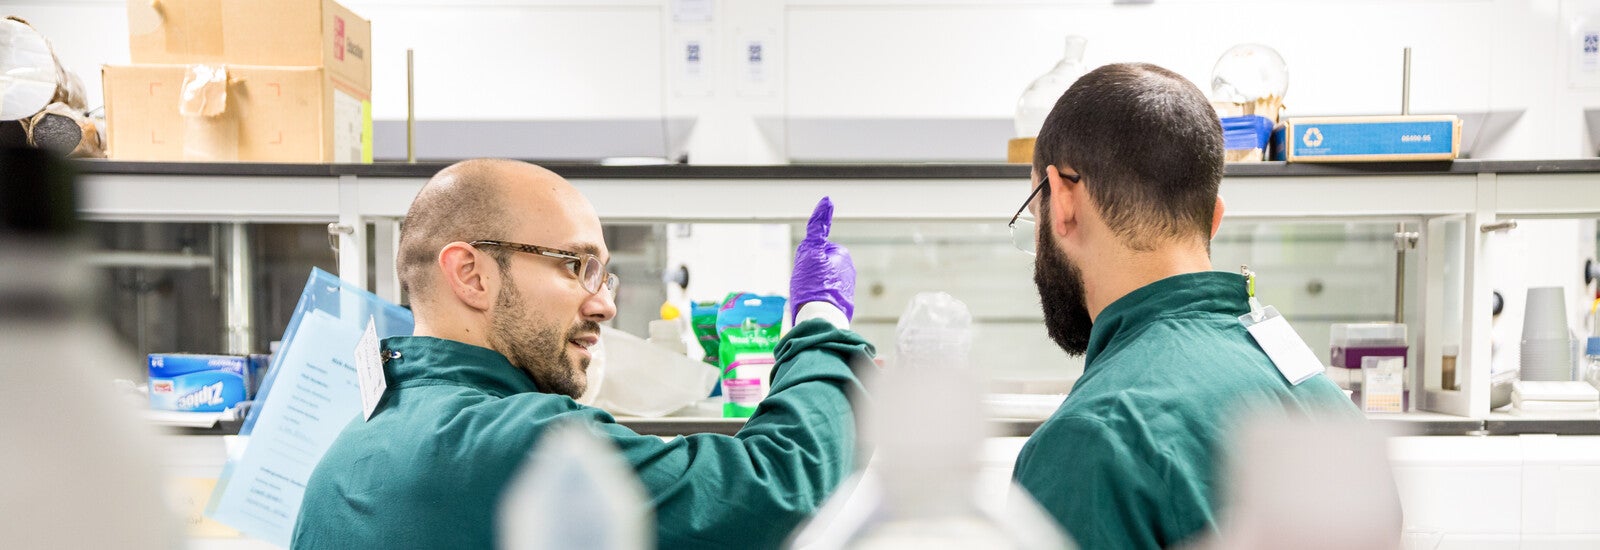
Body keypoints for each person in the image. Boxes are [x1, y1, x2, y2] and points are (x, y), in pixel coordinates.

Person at [291, 159, 870, 549]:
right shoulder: (508, 439)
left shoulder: (350, 453)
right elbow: (779, 482)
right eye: (575, 265)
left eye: (605, 276)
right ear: (470, 274)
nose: (604, 306)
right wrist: (821, 323)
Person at [1007, 62, 1384, 549]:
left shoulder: (1090, 441)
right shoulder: (1319, 395)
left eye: (1034, 213)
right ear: (1214, 219)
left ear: (1062, 201)